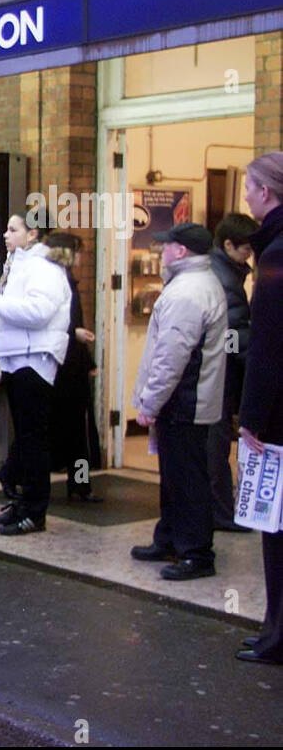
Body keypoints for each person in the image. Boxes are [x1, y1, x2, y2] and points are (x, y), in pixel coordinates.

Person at [128, 223, 227, 581]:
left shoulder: (187, 292)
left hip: (185, 401)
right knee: (175, 475)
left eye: (167, 246)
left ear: (181, 251)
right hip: (187, 399)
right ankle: (169, 538)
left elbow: (172, 356)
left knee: (187, 478)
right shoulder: (197, 283)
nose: (162, 251)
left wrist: (149, 403)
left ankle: (196, 552)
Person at [0, 211, 72, 535]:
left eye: (13, 229)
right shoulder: (20, 264)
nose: (5, 234)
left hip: (34, 359)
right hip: (17, 357)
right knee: (25, 438)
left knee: (34, 441)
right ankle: (23, 501)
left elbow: (38, 311)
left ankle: (35, 510)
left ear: (32, 234)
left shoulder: (43, 267)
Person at [237, 151, 283, 664]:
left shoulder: (273, 257)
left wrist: (250, 417)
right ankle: (273, 628)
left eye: (249, 189)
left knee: (276, 526)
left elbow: (268, 347)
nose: (245, 197)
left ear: (266, 193)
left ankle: (277, 636)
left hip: (277, 417)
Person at [44, 231, 103, 502]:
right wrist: (75, 335)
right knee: (76, 429)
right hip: (66, 364)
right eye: (78, 252)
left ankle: (80, 484)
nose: (81, 258)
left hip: (66, 363)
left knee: (67, 428)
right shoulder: (61, 282)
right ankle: (79, 484)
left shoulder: (64, 280)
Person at [208, 213, 257, 533]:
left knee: (213, 442)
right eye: (245, 250)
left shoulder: (220, 272)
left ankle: (218, 511)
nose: (249, 256)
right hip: (219, 377)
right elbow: (233, 336)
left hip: (212, 375)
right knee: (216, 442)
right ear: (228, 245)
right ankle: (222, 513)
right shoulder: (227, 282)